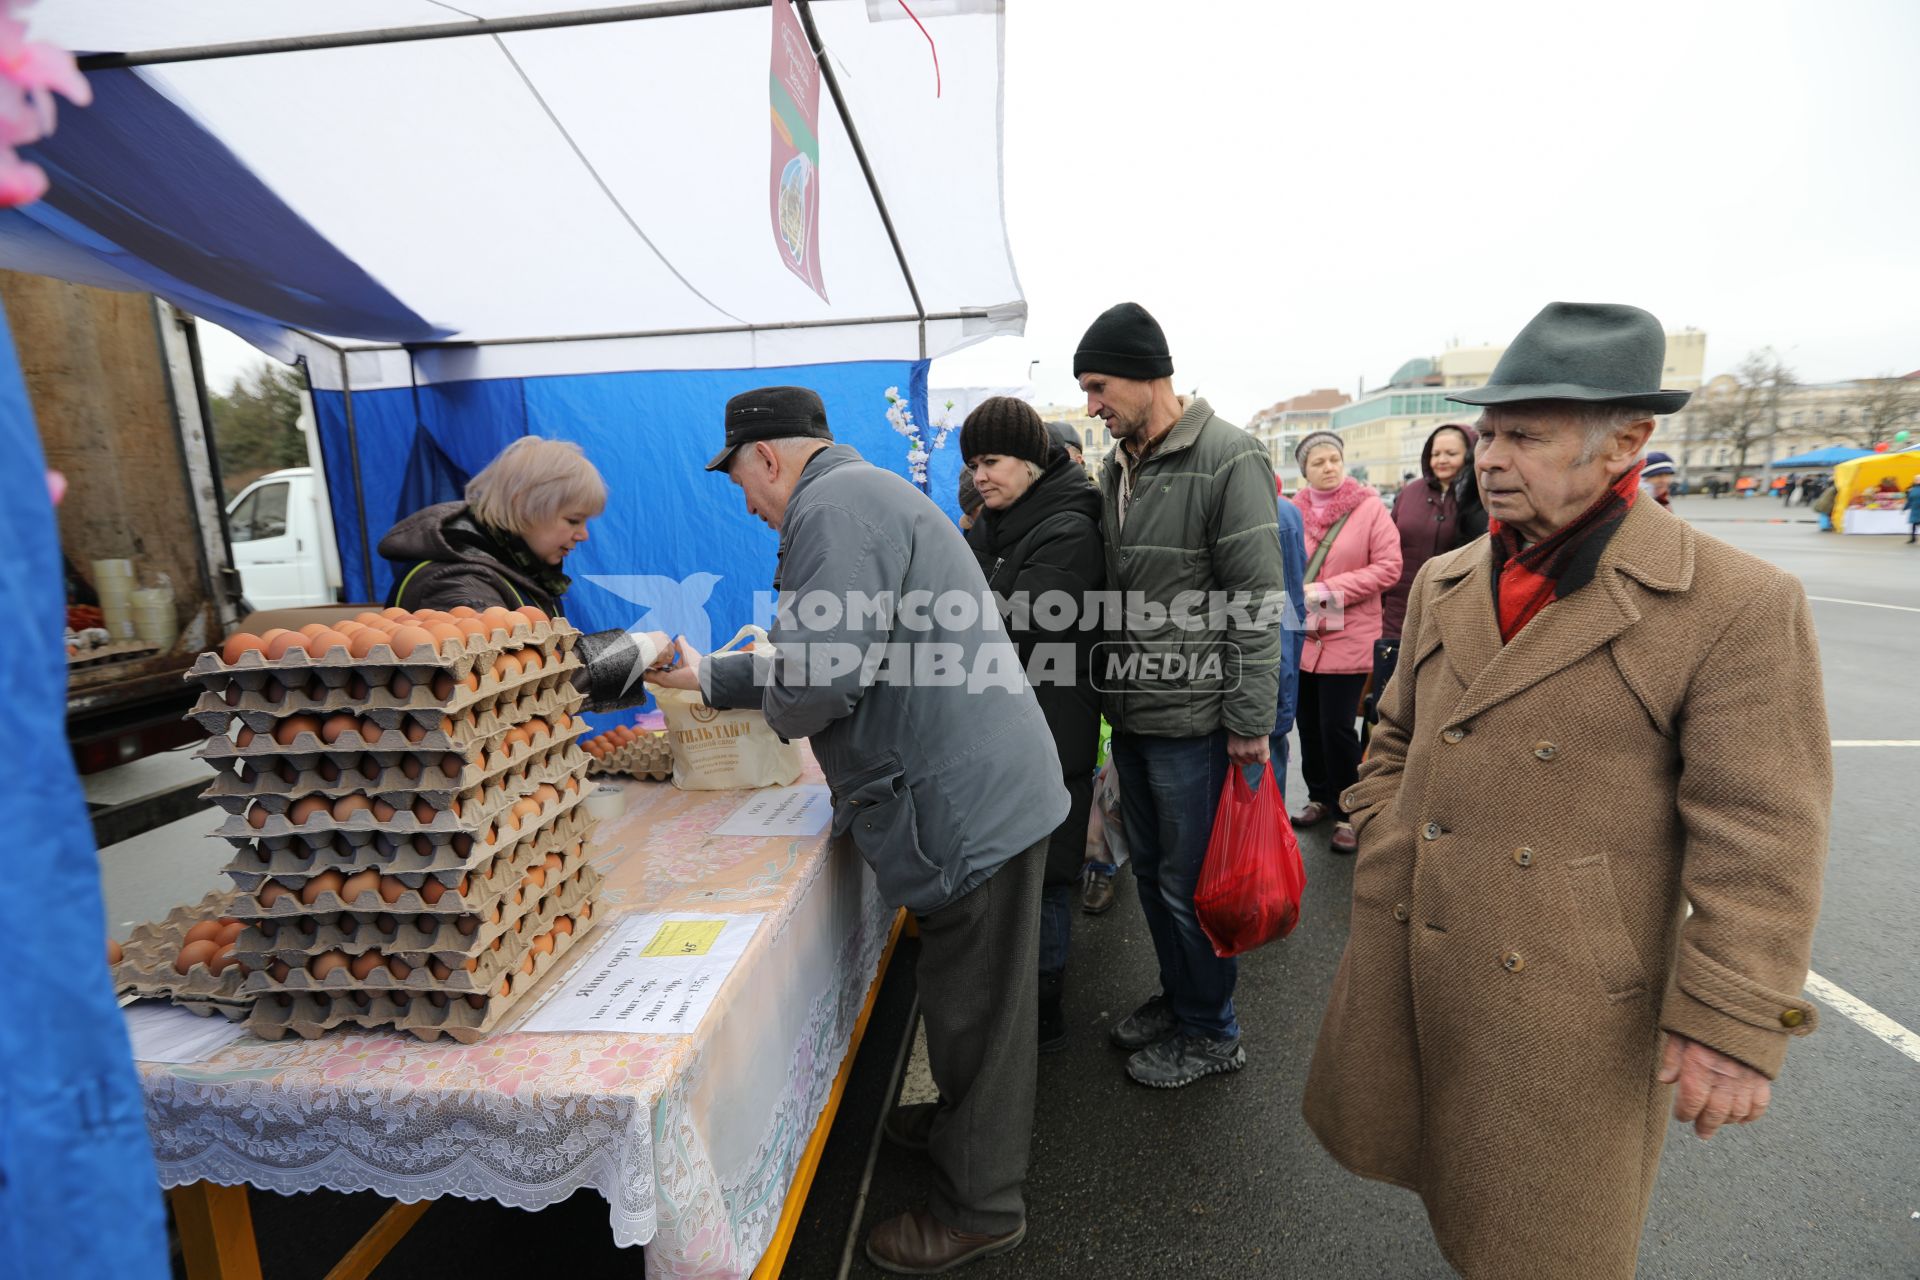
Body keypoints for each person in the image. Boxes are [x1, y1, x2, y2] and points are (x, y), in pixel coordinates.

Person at [1304, 302, 1832, 1280]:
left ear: (1629, 439)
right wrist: (1384, 833)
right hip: (1418, 945)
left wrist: (1732, 1021)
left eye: (1526, 434)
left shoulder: (1736, 605)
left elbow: (1762, 839)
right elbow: (1397, 730)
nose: (1490, 455)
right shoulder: (1450, 577)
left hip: (1569, 1001)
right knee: (1447, 1187)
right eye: (1490, 429)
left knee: (1541, 1236)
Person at [649, 386, 1066, 1274]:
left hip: (965, 801)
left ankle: (979, 1206)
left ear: (766, 457)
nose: (754, 510)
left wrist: (763, 692)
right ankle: (964, 1129)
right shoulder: (860, 494)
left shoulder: (829, 508)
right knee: (971, 998)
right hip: (981, 782)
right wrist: (710, 678)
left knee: (977, 1011)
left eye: (744, 487)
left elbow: (819, 683)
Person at [1077, 301, 1286, 1088]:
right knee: (1158, 875)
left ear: (1146, 372)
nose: (1093, 405)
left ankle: (1213, 1031)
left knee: (1192, 884)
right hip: (1134, 710)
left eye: (1099, 386)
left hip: (1196, 720)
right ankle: (1180, 997)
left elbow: (1256, 602)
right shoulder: (1119, 464)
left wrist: (1248, 724)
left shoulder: (1229, 457)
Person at [961, 396, 1106, 1052]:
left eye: (990, 460)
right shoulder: (998, 522)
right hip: (1005, 721)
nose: (980, 475)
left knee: (1047, 872)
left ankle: (1043, 1012)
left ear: (1028, 460)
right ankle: (1018, 998)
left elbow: (1032, 619)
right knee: (1014, 869)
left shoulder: (1068, 525)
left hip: (1051, 725)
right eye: (972, 464)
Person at [379, 437, 673, 697]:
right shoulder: (456, 582)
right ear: (525, 507)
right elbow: (521, 685)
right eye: (573, 520)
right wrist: (635, 650)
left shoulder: (516, 569)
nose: (583, 535)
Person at [1288, 431, 1401, 855]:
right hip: (1302, 636)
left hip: (1349, 634)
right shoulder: (1292, 512)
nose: (1328, 466)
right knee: (1307, 724)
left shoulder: (1369, 508)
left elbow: (1390, 567)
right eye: (1317, 462)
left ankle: (1348, 810)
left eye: (1334, 458)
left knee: (1337, 727)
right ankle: (1319, 795)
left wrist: (1330, 588)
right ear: (1305, 471)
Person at [1370, 424, 1484, 733]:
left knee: (1435, 708)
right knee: (1387, 705)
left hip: (1453, 612)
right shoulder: (1411, 492)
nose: (1441, 460)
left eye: (1451, 453)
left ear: (1470, 454)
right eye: (1435, 453)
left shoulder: (1479, 495)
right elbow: (1388, 546)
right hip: (1398, 610)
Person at [1272, 478, 1308, 793]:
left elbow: (1285, 612)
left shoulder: (1278, 512)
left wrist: (1279, 712)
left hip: (1260, 696)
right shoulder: (1283, 510)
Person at [1907, 476, 1920, 542]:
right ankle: (1913, 538)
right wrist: (1905, 507)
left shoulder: (1912, 489)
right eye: (1916, 480)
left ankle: (1913, 538)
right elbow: (1909, 499)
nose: (1916, 481)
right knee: (1914, 524)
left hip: (1916, 509)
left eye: (1917, 480)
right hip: (1915, 509)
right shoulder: (1912, 489)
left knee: (1915, 524)